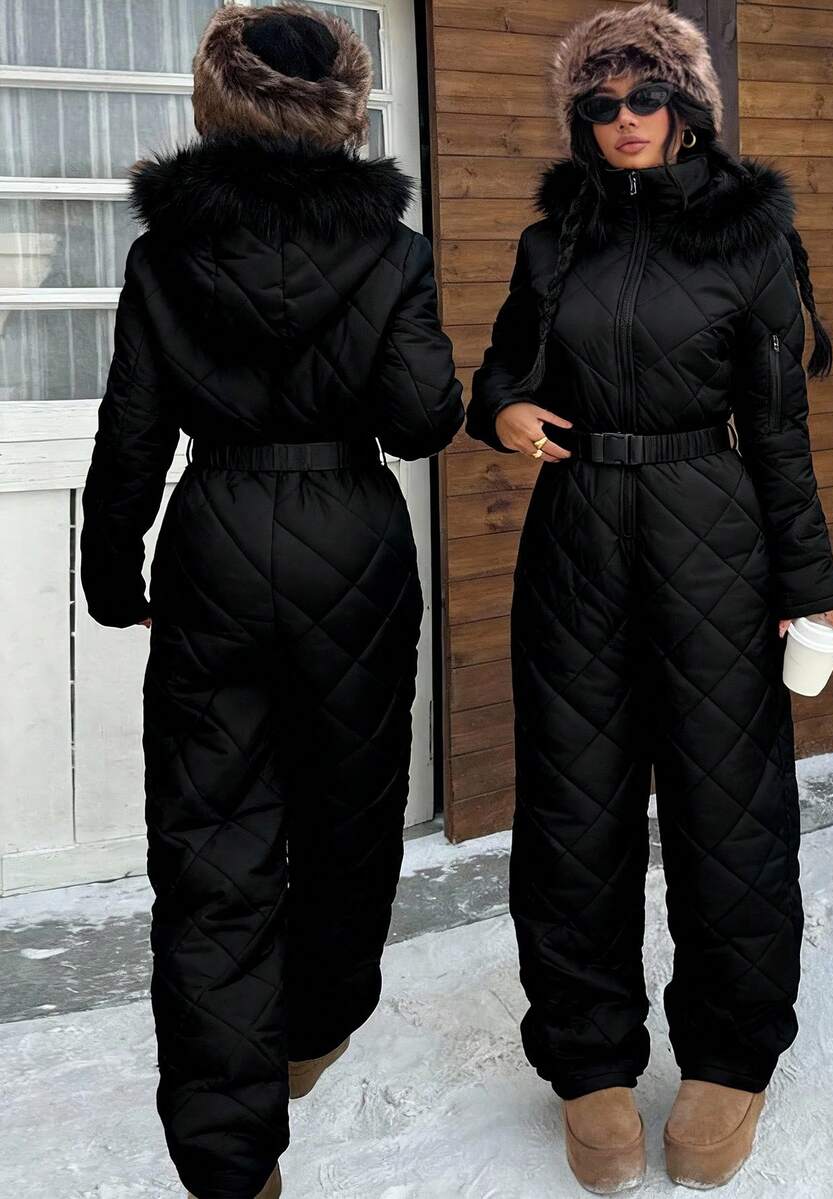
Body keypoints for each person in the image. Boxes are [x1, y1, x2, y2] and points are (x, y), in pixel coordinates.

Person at [464, 2, 833, 1192]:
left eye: (646, 98)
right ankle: (588, 1062)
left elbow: (779, 431)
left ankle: (730, 1057)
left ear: (686, 109)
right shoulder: (552, 245)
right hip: (576, 544)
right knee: (573, 814)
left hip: (714, 538)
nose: (624, 120)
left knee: (728, 811)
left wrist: (812, 583)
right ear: (580, 119)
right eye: (601, 103)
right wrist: (504, 412)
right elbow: (499, 373)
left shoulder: (750, 240)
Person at [79, 5, 463, 1198]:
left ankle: (230, 1160)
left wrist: (112, 569)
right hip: (351, 543)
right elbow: (420, 420)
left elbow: (133, 429)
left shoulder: (167, 252)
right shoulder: (392, 249)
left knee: (212, 845)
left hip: (217, 543)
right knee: (351, 813)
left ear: (218, 105)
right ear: (343, 112)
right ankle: (312, 1025)